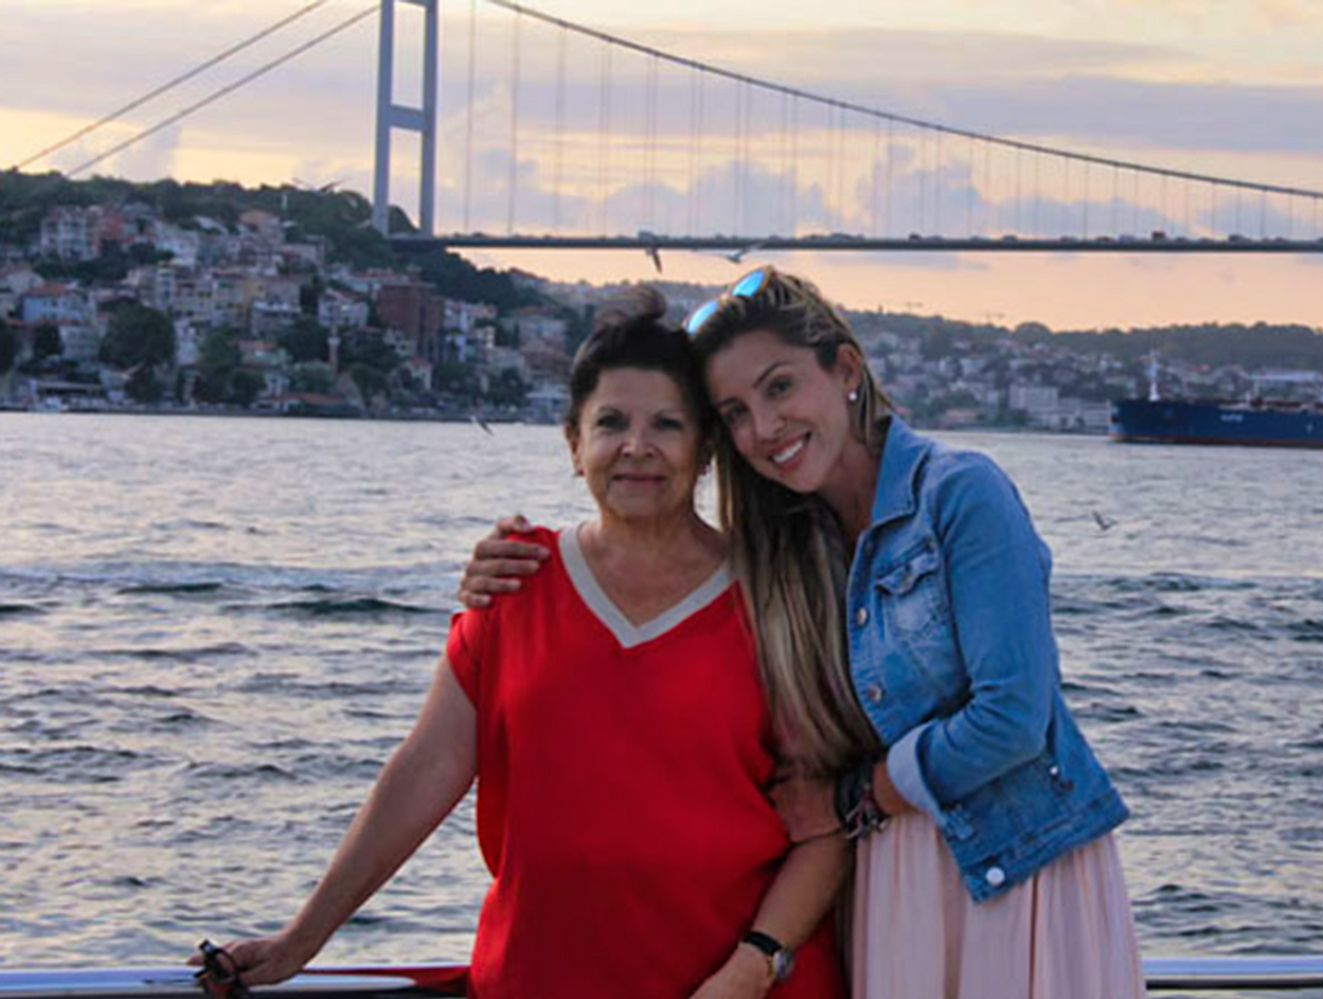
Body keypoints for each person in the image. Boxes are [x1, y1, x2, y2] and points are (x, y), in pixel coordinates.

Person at [463, 269, 1146, 998]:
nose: (764, 428)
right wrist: (508, 573)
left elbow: (1011, 719)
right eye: (735, 411)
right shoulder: (785, 546)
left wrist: (858, 798)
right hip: (887, 877)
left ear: (845, 369)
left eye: (780, 387)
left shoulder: (960, 492)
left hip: (1015, 871)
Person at [201, 288, 848, 999]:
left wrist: (749, 970)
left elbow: (825, 823)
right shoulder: (515, 582)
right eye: (611, 423)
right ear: (575, 444)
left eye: (667, 423)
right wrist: (304, 936)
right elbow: (426, 769)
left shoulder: (770, 600)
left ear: (703, 452)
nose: (637, 446)